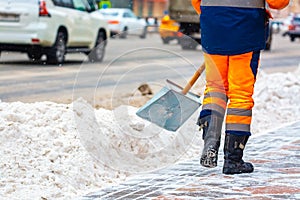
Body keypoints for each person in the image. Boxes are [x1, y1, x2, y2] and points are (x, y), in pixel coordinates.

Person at [191, 0, 290, 174]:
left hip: (214, 28)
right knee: (240, 93)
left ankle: (210, 141)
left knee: (215, 88)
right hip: (245, 30)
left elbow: (196, 2)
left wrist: (217, 17)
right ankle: (233, 159)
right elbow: (278, 2)